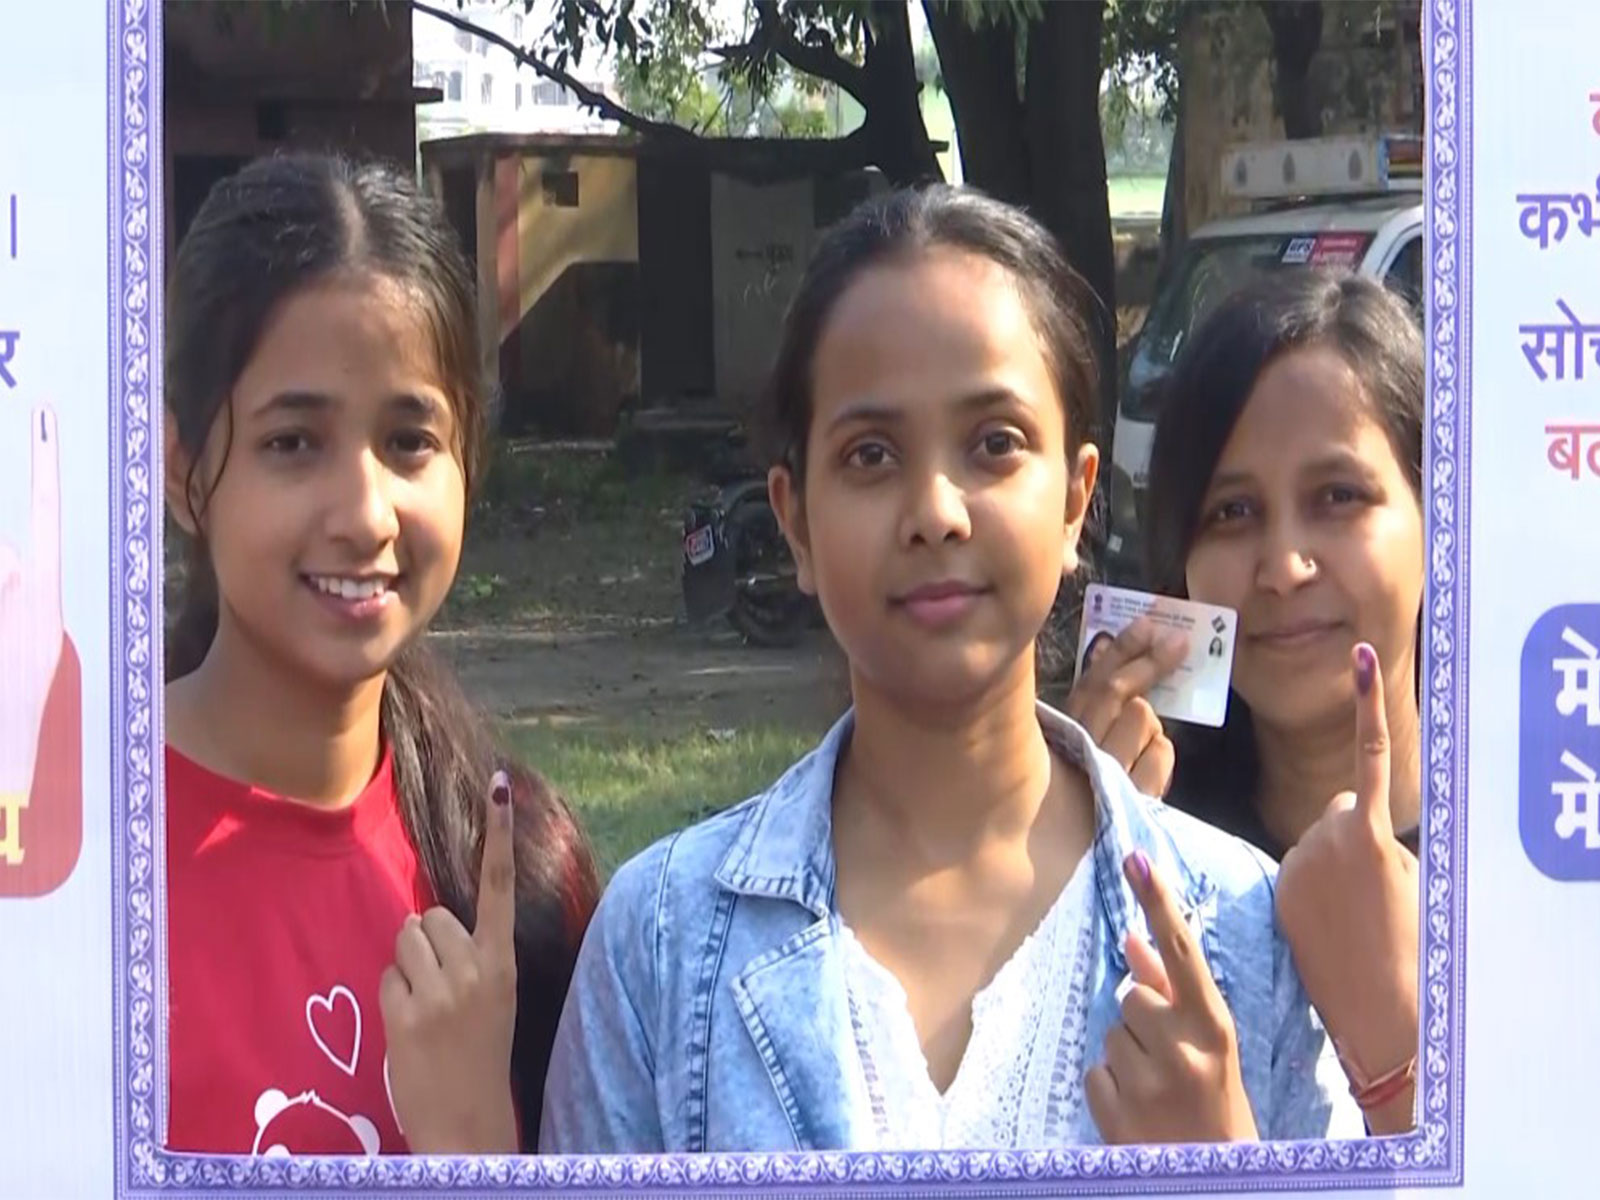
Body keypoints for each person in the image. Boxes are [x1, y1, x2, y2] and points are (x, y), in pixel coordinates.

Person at [540, 186, 1364, 1154]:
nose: (936, 509)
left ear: (1074, 501)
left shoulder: (1242, 928)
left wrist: (1222, 1167)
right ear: (795, 521)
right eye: (872, 454)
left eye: (993, 445)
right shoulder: (660, 944)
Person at [160, 153, 600, 1157]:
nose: (363, 517)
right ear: (185, 472)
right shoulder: (70, 857)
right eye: (292, 444)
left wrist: (471, 1146)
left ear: (468, 458)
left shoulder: (519, 874)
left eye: (409, 441)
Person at [1142, 271, 1425, 1134]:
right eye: (1232, 512)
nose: (1284, 567)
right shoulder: (1145, 859)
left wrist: (1401, 1066)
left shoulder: (1547, 847)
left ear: (1436, 512)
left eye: (1338, 497)